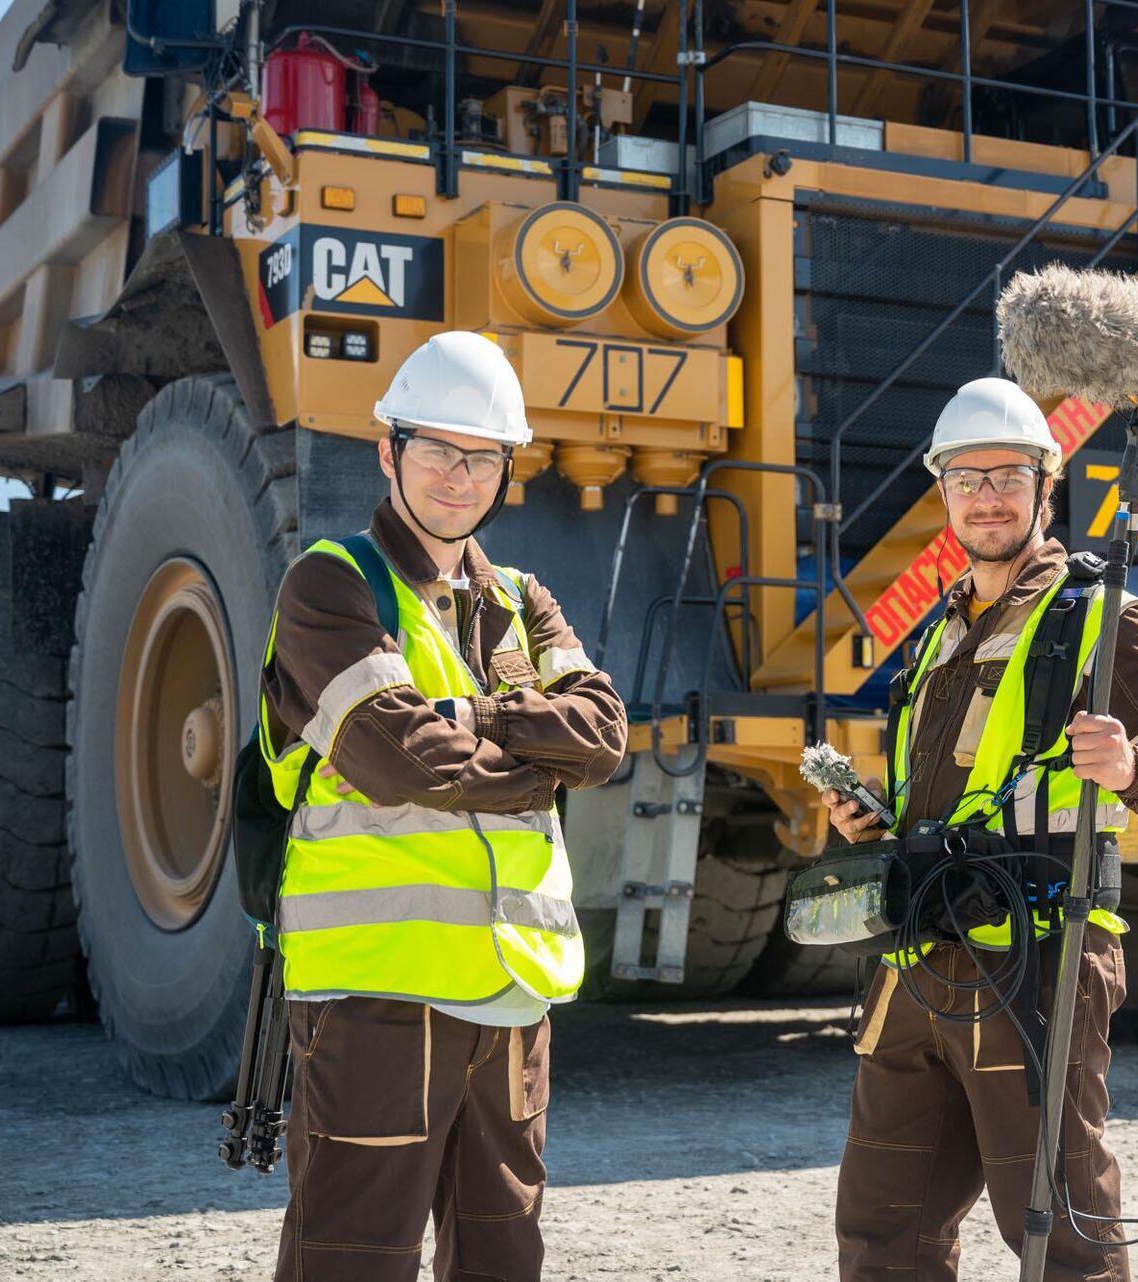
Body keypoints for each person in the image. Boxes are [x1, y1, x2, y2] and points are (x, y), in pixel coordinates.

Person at [821, 378, 1138, 1281]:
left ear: (1047, 485)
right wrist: (874, 821)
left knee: (1058, 1230)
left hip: (1036, 963)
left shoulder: (1100, 617)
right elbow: (955, 799)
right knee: (882, 1230)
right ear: (942, 492)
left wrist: (1132, 768)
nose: (987, 495)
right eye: (966, 478)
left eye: (1008, 474)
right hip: (917, 963)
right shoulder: (938, 635)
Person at [260, 330, 627, 1280]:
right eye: (436, 450)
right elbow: (400, 760)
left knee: (503, 1256)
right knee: (352, 1257)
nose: (459, 477)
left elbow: (604, 734)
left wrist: (474, 713)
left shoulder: (520, 599)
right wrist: (536, 762)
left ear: (507, 468)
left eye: (483, 457)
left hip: (513, 996)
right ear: (388, 452)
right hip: (383, 988)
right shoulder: (332, 585)